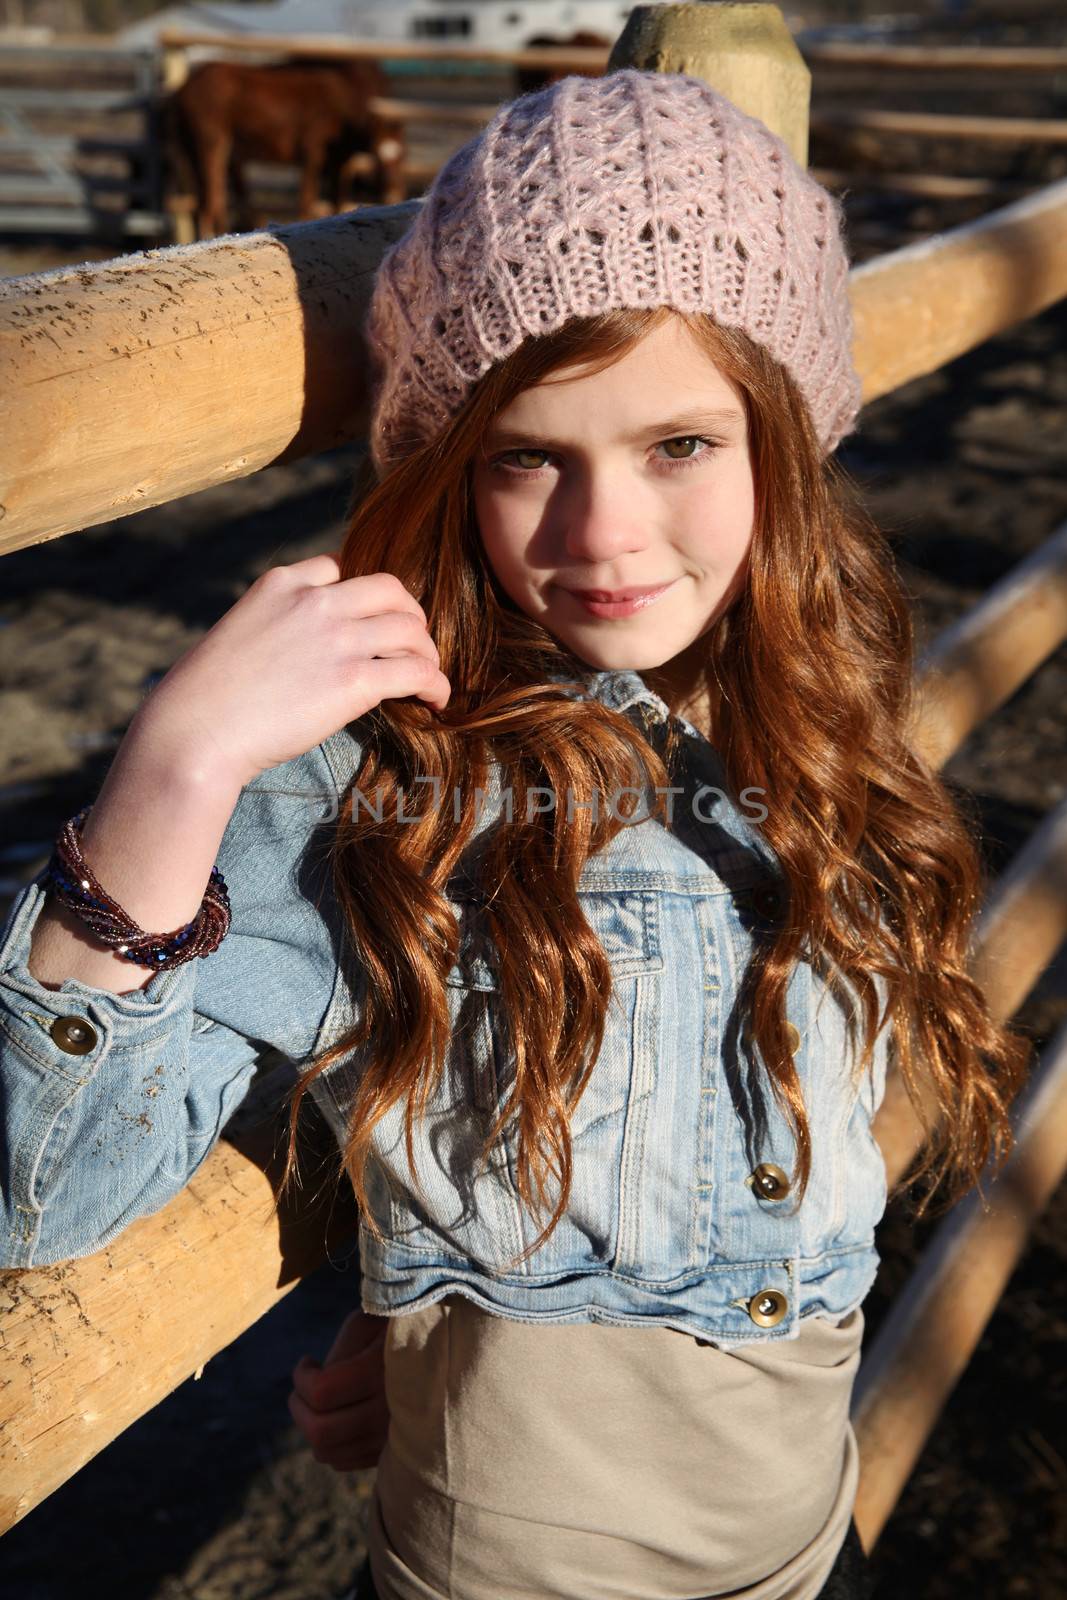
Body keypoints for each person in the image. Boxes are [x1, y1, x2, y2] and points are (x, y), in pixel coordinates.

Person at [0, 68, 1028, 1600]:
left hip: (817, 1561)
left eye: (680, 445)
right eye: (527, 456)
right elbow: (45, 1191)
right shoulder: (385, 789)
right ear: (450, 464)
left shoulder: (811, 716)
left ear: (781, 440)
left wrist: (463, 1285)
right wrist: (175, 772)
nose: (603, 533)